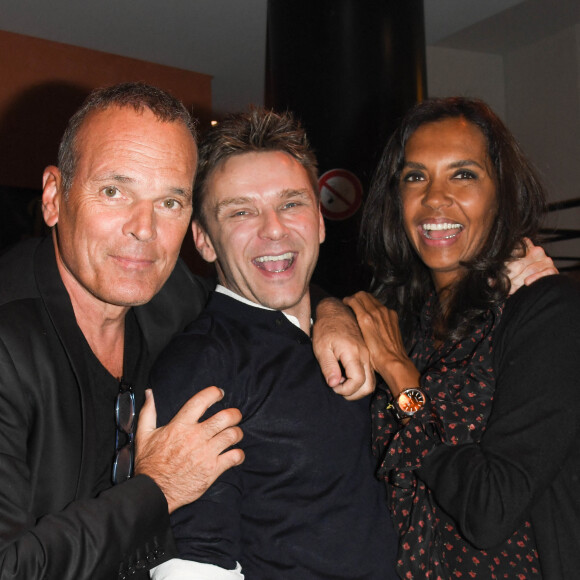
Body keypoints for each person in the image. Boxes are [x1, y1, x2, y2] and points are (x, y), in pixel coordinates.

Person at [148, 108, 399, 579]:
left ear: (320, 221)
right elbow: (191, 562)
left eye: (291, 203)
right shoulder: (204, 362)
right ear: (203, 240)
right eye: (241, 211)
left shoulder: (365, 327)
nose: (274, 229)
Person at [345, 97, 579, 579]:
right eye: (415, 176)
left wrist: (403, 382)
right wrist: (332, 312)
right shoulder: (405, 321)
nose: (434, 198)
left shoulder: (544, 310)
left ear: (501, 192)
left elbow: (490, 508)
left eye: (463, 174)